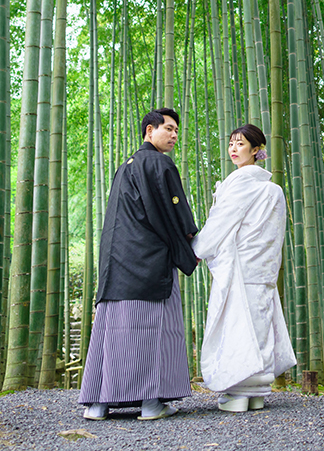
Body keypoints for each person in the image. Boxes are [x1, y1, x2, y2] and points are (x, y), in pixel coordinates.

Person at [78, 108, 198, 421]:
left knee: (111, 330)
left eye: (176, 131)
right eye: (168, 129)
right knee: (151, 331)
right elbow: (176, 216)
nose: (174, 136)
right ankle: (150, 404)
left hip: (116, 266)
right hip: (149, 264)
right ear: (149, 131)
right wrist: (191, 246)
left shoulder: (125, 167)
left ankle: (98, 404)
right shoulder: (159, 163)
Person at [192, 124, 297, 412]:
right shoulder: (272, 189)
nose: (233, 149)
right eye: (231, 144)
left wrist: (195, 251)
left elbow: (221, 224)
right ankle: (257, 391)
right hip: (263, 270)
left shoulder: (241, 183)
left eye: (240, 144)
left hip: (239, 268)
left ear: (256, 150)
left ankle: (238, 391)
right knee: (259, 324)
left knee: (237, 324)